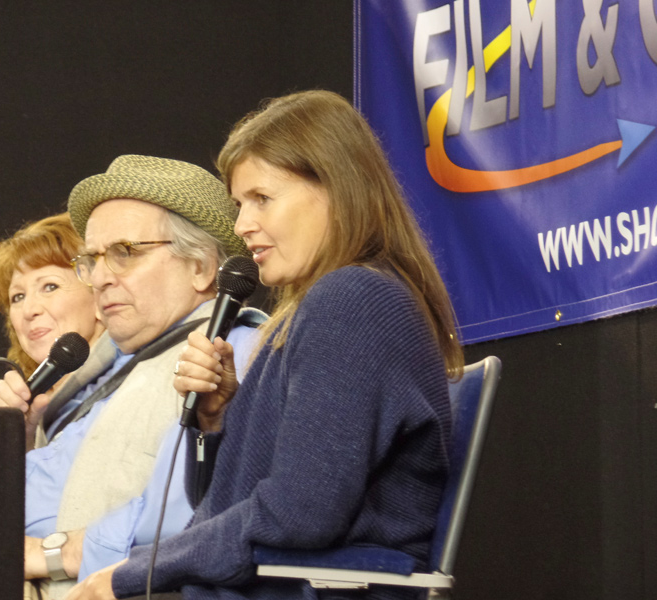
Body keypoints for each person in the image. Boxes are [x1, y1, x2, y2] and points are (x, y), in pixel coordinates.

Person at [67, 90, 464, 600]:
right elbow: (231, 504)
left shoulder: (352, 299)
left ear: (336, 189)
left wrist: (132, 573)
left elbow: (298, 517)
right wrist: (218, 422)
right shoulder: (324, 307)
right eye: (239, 204)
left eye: (262, 199)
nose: (241, 226)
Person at [0, 155, 261, 600]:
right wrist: (14, 437)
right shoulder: (103, 369)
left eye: (124, 253)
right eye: (92, 259)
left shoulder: (231, 353)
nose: (101, 278)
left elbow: (210, 509)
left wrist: (58, 553)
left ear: (201, 268)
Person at [0, 212, 105, 379]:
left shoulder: (139, 386)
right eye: (18, 297)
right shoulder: (28, 402)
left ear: (100, 294)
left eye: (49, 287)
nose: (29, 311)